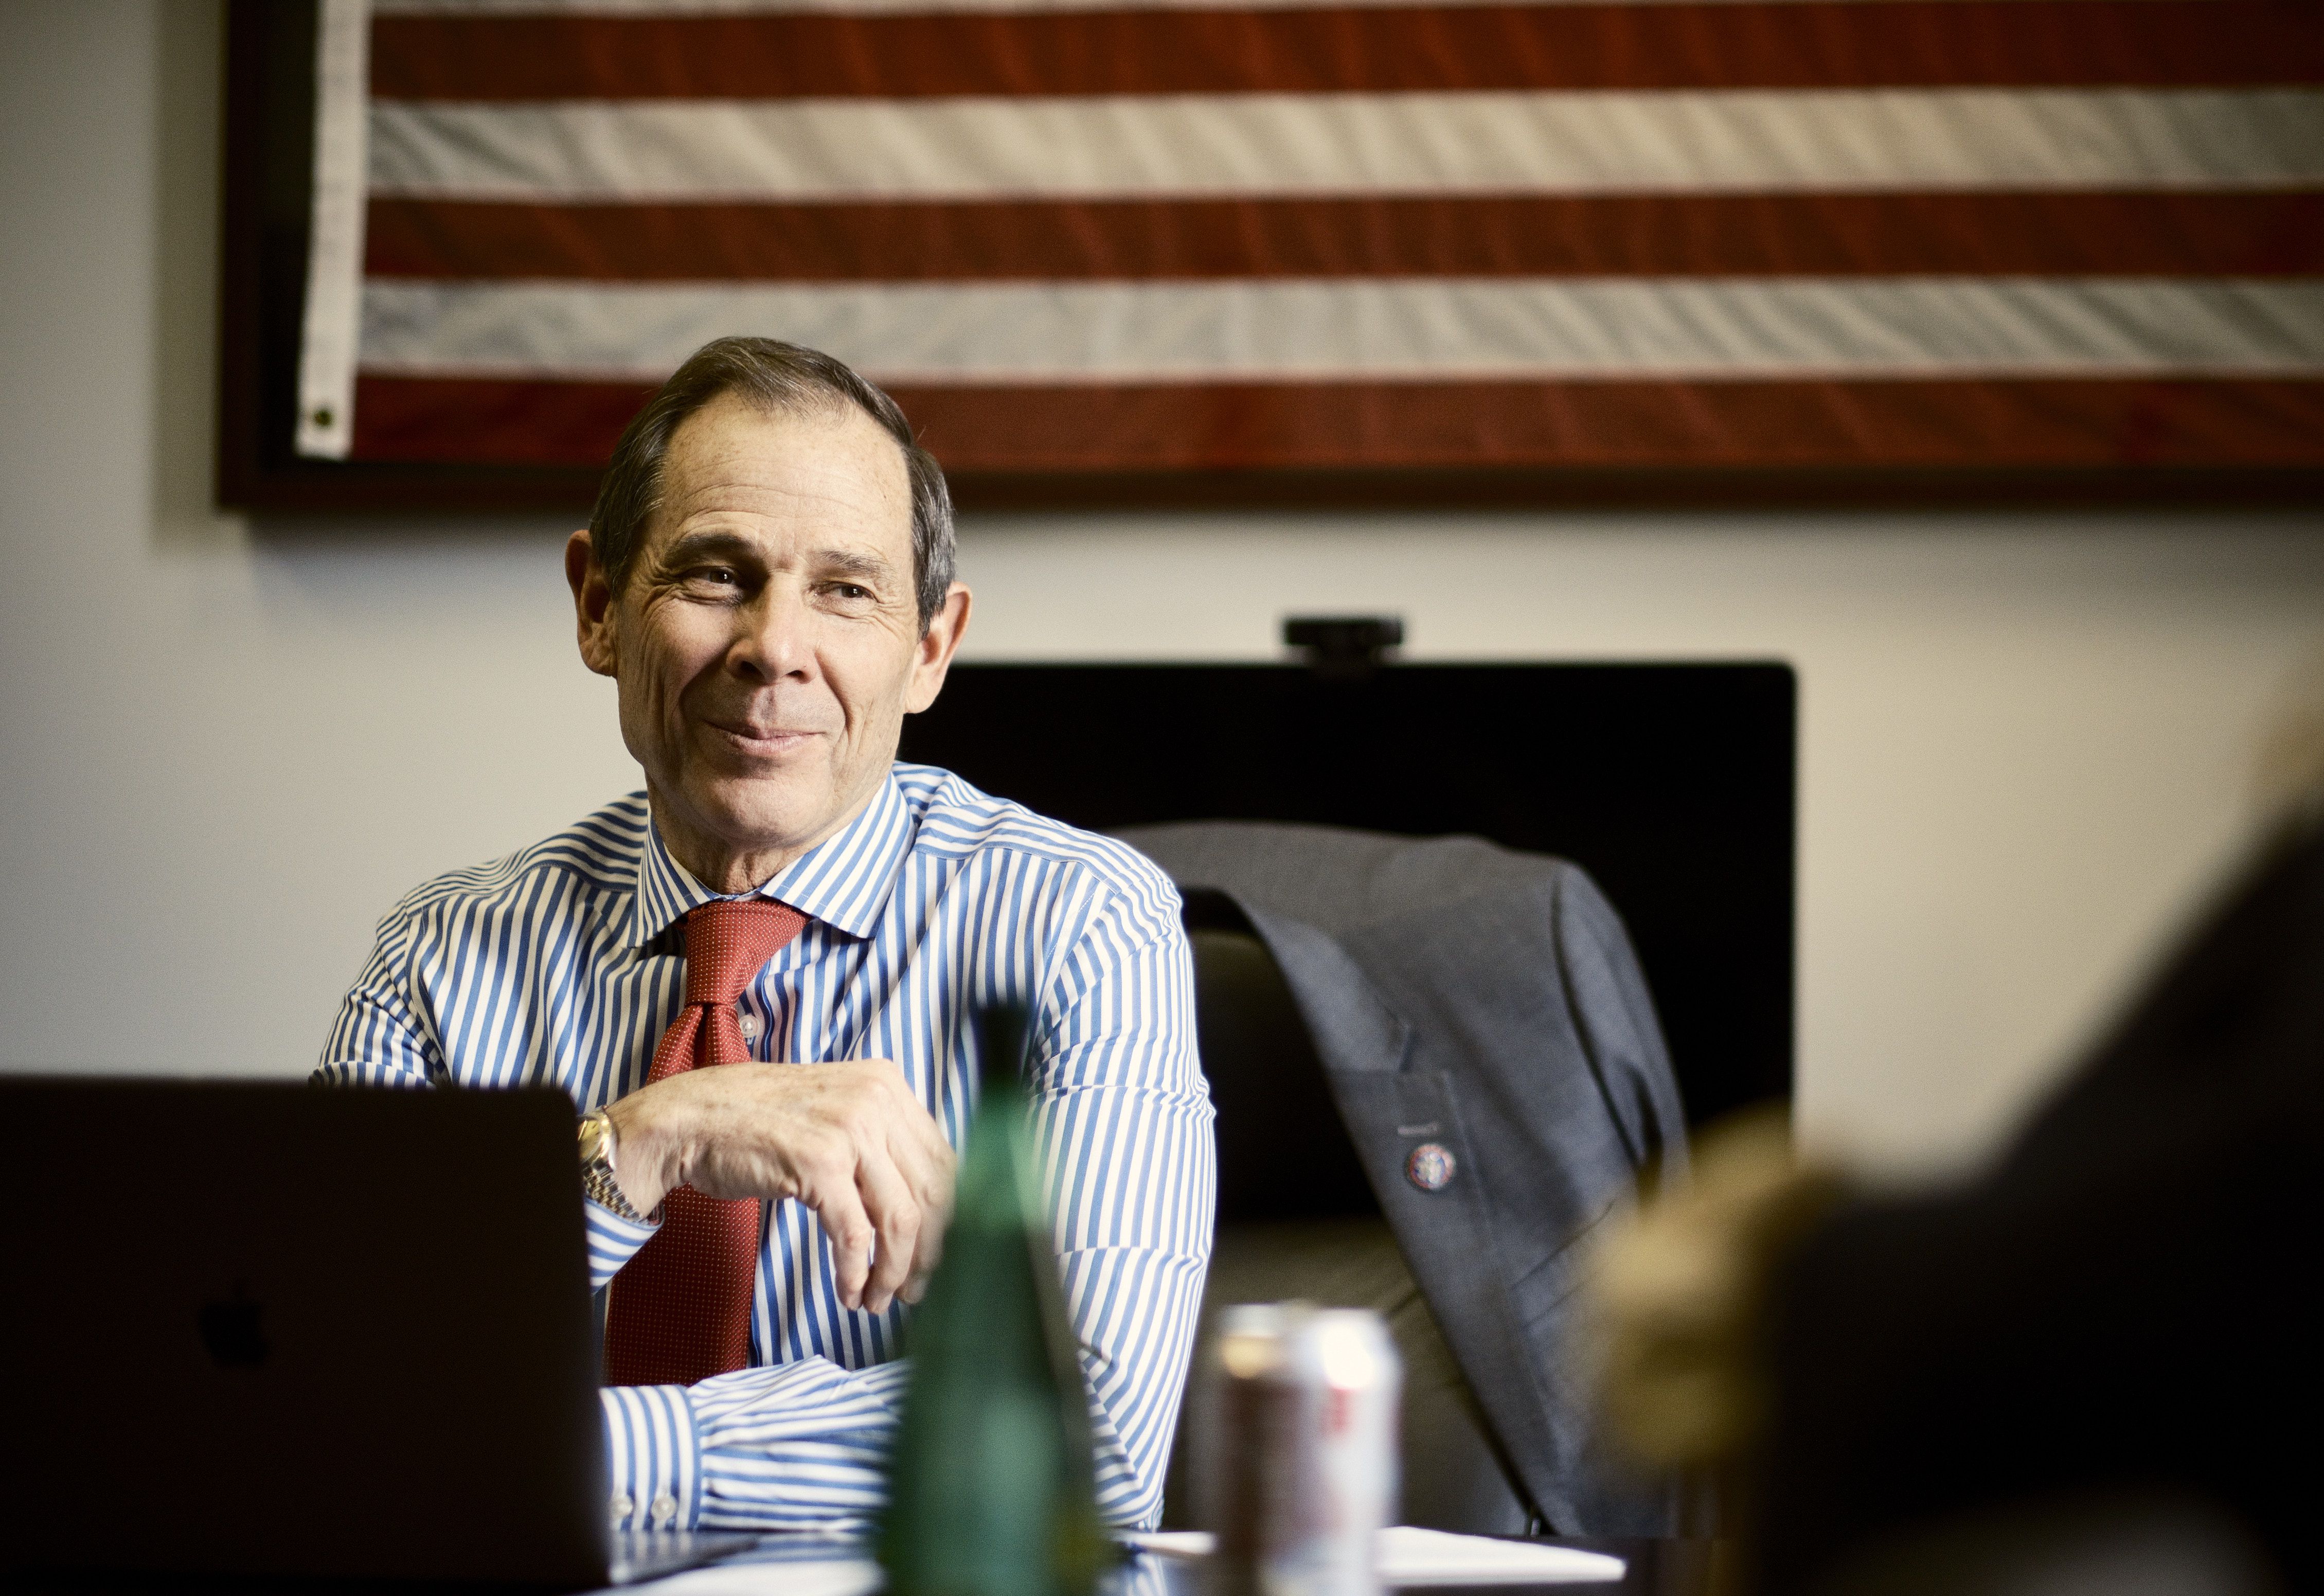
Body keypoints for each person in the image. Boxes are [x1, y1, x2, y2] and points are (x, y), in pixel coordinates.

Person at [316, 337, 1215, 1535]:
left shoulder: (1083, 930)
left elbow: (1079, 1444)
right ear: (599, 608)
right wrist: (633, 1148)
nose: (775, 647)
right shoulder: (441, 962)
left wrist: (562, 1448)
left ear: (931, 648)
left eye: (846, 589)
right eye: (715, 574)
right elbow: (313, 1399)